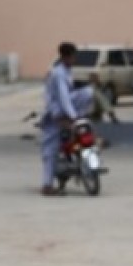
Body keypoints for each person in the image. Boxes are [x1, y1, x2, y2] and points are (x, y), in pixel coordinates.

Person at [39, 42, 95, 196]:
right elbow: (63, 98)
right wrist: (73, 117)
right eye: (72, 56)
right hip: (55, 114)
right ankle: (47, 185)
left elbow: (72, 94)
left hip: (67, 110)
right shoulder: (58, 74)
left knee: (88, 92)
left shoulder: (67, 71)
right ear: (66, 57)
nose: (74, 59)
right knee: (50, 150)